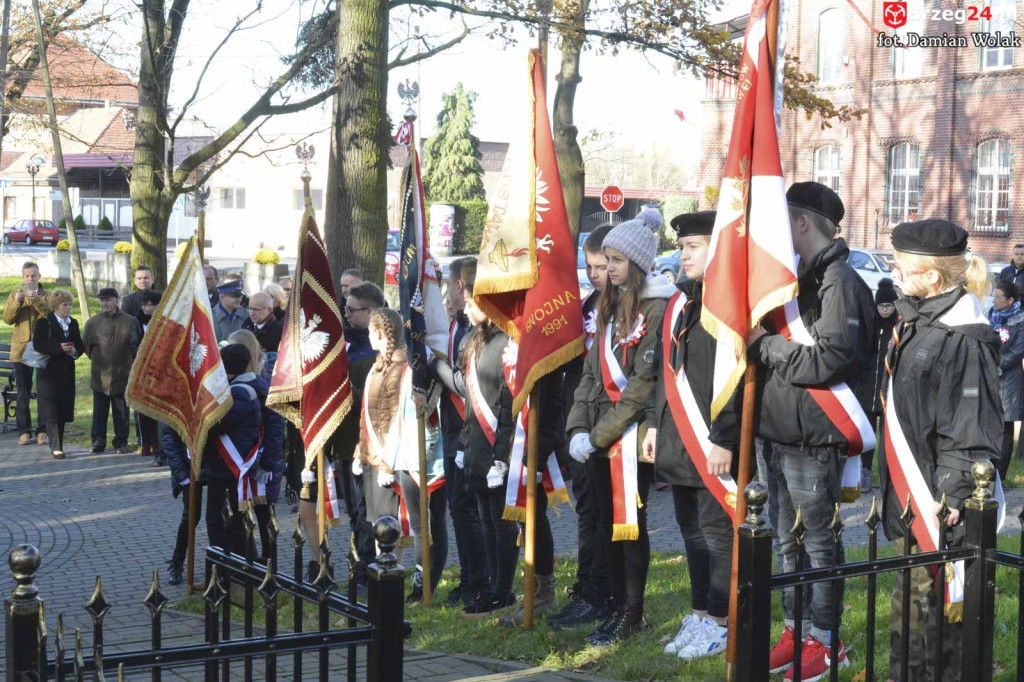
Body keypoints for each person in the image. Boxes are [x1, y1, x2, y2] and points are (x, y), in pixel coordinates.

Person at [749, 183, 876, 680]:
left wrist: (766, 347)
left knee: (818, 543)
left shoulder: (839, 281)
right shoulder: (796, 280)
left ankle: (825, 640)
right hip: (777, 434)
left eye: (786, 222)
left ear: (802, 223)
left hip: (813, 437)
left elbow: (831, 359)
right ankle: (795, 628)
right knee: (786, 542)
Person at [878, 219, 1002, 681]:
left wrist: (952, 492)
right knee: (910, 610)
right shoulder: (919, 319)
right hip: (913, 492)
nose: (893, 271)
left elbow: (970, 427)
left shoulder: (963, 333)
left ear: (932, 276)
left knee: (944, 618)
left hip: (940, 503)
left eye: (901, 266)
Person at [565, 208, 675, 645]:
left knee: (629, 526)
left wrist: (596, 437)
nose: (607, 269)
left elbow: (641, 389)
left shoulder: (657, 309)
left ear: (638, 263)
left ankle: (632, 612)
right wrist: (577, 430)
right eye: (605, 260)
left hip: (627, 438)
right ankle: (613, 605)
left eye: (616, 261)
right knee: (609, 523)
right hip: (595, 435)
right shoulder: (608, 308)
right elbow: (590, 375)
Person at [645, 210, 739, 660]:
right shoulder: (680, 304)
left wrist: (725, 436)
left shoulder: (729, 305)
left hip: (713, 442)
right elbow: (663, 374)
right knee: (691, 531)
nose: (683, 255)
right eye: (681, 247)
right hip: (678, 440)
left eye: (693, 246)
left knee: (718, 533)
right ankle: (702, 612)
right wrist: (651, 424)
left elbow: (735, 380)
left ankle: (722, 620)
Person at [548, 225, 614, 631]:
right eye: (589, 266)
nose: (594, 275)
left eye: (602, 266)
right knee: (587, 511)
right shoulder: (586, 306)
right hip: (579, 426)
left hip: (609, 428)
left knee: (603, 515)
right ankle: (586, 587)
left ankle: (600, 591)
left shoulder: (625, 309)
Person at [163, 344, 263, 574]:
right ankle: (180, 564)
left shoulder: (239, 392)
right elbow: (169, 436)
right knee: (198, 517)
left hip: (226, 467)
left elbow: (216, 425)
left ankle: (230, 570)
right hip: (201, 467)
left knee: (227, 523)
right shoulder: (228, 389)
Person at [428, 257, 491, 608]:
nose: (446, 294)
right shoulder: (453, 328)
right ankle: (469, 577)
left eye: (449, 286)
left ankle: (479, 579)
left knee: (467, 510)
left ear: (460, 286)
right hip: (453, 431)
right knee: (457, 508)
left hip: (470, 430)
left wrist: (435, 366)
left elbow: (467, 386)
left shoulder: (471, 333)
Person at [456, 265, 518, 620]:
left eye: (471, 302)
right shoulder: (476, 340)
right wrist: (467, 445)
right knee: (485, 521)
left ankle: (504, 590)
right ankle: (493, 587)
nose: (465, 309)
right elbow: (469, 401)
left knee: (501, 523)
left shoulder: (507, 343)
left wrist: (501, 455)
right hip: (476, 447)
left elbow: (506, 402)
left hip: (499, 450)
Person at [225, 330, 286, 563]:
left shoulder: (261, 385)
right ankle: (251, 559)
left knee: (264, 515)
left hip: (261, 461)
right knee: (246, 515)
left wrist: (268, 461)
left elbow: (275, 427)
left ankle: (269, 560)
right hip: (248, 460)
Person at [353, 309, 406, 558]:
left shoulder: (400, 369)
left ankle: (393, 576)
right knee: (377, 526)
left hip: (389, 461)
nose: (368, 336)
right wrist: (359, 452)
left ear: (379, 333)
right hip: (371, 458)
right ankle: (380, 576)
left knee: (390, 527)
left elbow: (394, 420)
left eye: (370, 332)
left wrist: (387, 465)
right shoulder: (377, 366)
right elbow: (367, 416)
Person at [83, 288, 138, 455]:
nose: (105, 303)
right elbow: (87, 346)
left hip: (123, 374)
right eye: (102, 300)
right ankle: (98, 443)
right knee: (99, 412)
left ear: (116, 300)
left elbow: (135, 345)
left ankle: (121, 442)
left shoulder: (130, 321)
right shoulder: (92, 322)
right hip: (100, 374)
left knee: (121, 412)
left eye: (108, 300)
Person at [32, 289, 83, 459]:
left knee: (63, 409)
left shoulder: (73, 322)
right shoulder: (44, 322)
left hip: (67, 372)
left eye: (69, 304)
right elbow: (39, 345)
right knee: (52, 409)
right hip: (49, 372)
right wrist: (59, 348)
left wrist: (74, 352)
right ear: (55, 306)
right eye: (64, 305)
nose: (67, 308)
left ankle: (59, 443)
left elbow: (80, 345)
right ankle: (56, 447)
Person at [4, 262, 49, 446]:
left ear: (39, 276)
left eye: (34, 275)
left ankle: (43, 430)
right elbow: (7, 319)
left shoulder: (46, 294)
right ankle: (24, 431)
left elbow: (50, 314)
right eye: (27, 276)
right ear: (23, 277)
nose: (30, 279)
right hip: (21, 349)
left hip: (41, 349)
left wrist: (37, 299)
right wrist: (17, 301)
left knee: (43, 391)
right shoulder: (15, 294)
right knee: (23, 391)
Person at [864, 278, 899, 491]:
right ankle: (865, 471)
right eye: (881, 306)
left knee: (886, 436)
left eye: (889, 306)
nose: (885, 310)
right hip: (868, 390)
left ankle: (887, 473)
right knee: (868, 435)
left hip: (888, 391)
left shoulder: (897, 328)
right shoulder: (870, 326)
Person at [989, 279, 1024, 480]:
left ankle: (999, 476)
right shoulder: (991, 315)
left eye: (998, 297)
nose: (994, 301)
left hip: (1009, 381)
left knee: (1005, 427)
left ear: (1010, 300)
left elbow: (1018, 350)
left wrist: (997, 365)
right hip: (990, 377)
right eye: (994, 296)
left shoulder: (1020, 320)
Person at [132, 290, 165, 464]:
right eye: (143, 304)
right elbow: (133, 342)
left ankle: (159, 443)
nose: (144, 307)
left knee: (158, 409)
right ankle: (146, 441)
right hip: (144, 368)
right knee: (144, 409)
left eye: (148, 304)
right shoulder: (138, 321)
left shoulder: (164, 322)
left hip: (161, 370)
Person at [242, 291, 282, 377]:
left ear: (269, 310)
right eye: (250, 308)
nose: (252, 313)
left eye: (256, 309)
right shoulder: (247, 323)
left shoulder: (278, 331)